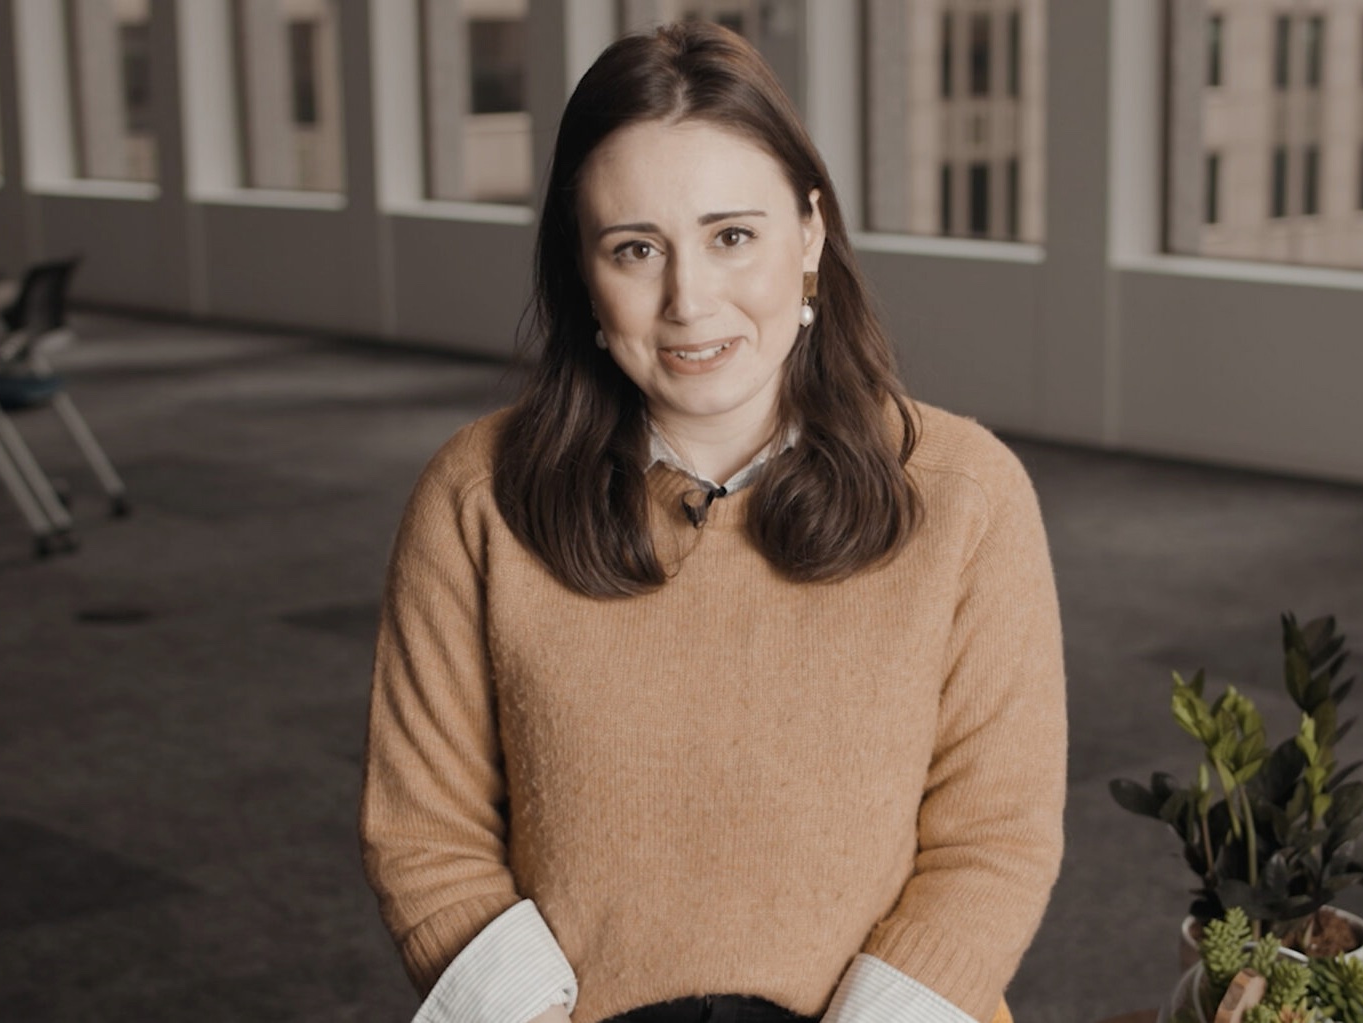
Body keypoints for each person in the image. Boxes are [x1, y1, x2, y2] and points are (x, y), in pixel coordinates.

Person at [361, 20, 1066, 1023]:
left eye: (732, 236)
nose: (689, 300)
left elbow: (995, 838)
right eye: (635, 248)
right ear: (583, 271)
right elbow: (423, 833)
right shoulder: (477, 494)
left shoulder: (964, 494)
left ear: (809, 237)